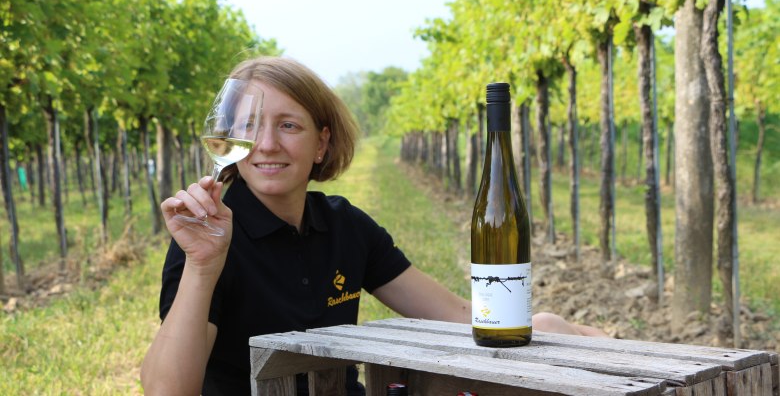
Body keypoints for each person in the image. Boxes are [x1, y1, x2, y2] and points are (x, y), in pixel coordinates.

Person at [140, 56, 606, 396]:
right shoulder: (208, 239)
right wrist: (203, 266)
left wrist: (561, 328)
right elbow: (167, 391)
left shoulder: (344, 226)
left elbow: (460, 316)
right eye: (251, 126)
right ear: (230, 139)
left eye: (288, 126)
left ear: (322, 143)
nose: (266, 144)